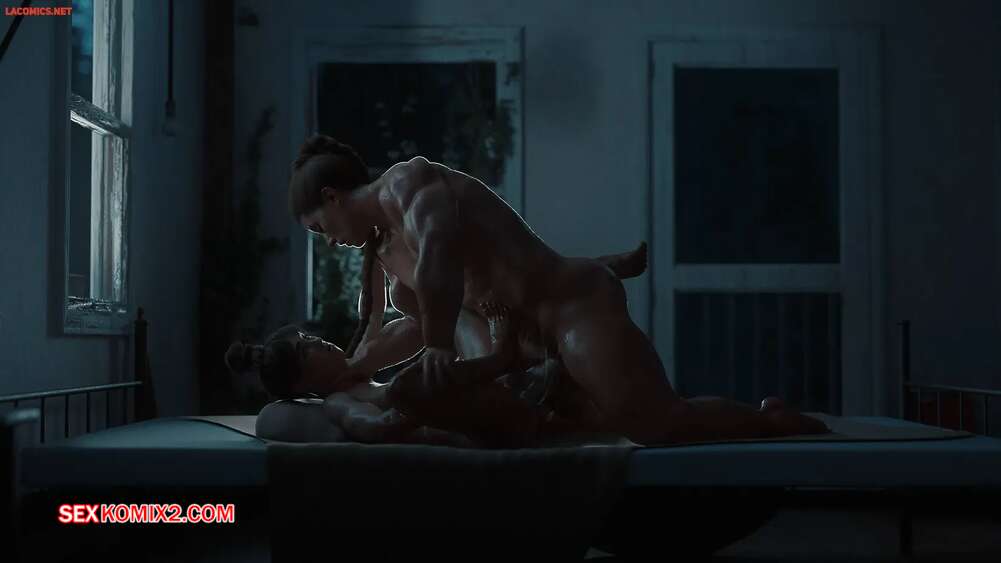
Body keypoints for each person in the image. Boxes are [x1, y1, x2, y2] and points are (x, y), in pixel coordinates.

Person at [285, 135, 829, 445]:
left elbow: (440, 252)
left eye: (318, 229)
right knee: (595, 430)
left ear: (333, 197)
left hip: (570, 308)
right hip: (524, 341)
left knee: (655, 424)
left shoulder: (409, 180)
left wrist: (440, 345)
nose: (328, 241)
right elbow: (411, 325)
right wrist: (352, 370)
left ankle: (770, 419)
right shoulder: (384, 249)